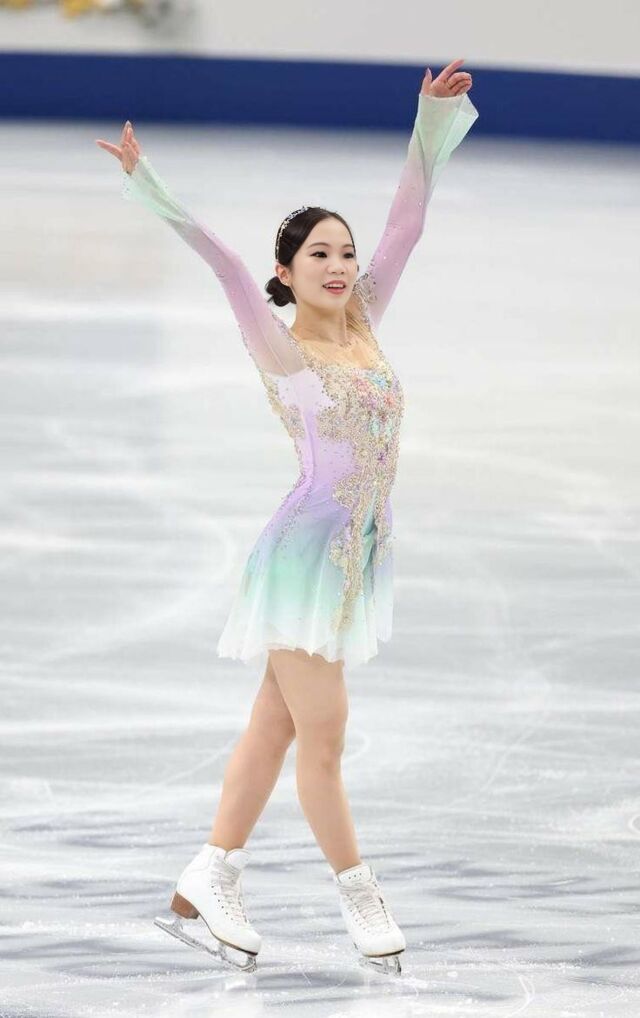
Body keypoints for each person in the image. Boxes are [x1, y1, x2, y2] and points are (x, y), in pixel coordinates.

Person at [95, 59, 478, 975]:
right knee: (325, 736)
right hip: (305, 556)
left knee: (274, 727)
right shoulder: (284, 348)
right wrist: (149, 185)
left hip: (356, 555)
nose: (340, 266)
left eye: (345, 253)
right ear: (287, 272)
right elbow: (224, 264)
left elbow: (407, 224)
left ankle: (208, 873)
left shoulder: (365, 321)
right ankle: (359, 895)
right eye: (319, 256)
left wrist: (429, 121)